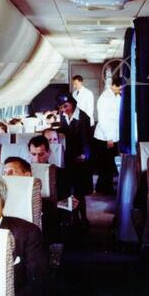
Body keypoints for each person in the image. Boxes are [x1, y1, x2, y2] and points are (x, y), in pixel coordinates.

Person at [59, 95, 93, 224]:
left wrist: (85, 155)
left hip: (80, 158)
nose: (64, 110)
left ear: (73, 103)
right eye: (61, 107)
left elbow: (87, 140)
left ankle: (83, 218)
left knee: (80, 191)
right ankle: (73, 218)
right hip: (68, 157)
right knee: (69, 189)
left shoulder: (83, 118)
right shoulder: (63, 116)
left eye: (66, 106)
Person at [93, 73, 123, 195]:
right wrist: (109, 138)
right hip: (104, 137)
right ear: (114, 86)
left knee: (109, 164)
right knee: (106, 164)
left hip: (113, 136)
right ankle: (104, 189)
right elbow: (103, 120)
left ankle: (105, 188)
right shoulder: (105, 98)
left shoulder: (117, 96)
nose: (121, 91)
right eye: (120, 88)